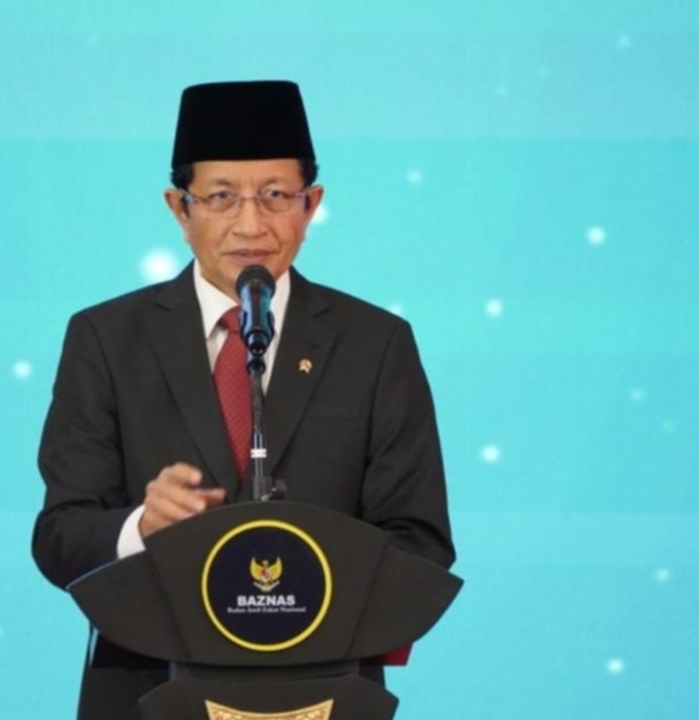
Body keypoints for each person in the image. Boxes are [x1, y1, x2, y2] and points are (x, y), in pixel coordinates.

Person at [31, 80, 454, 720]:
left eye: (276, 196)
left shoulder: (376, 344)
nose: (251, 224)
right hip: (146, 695)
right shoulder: (106, 339)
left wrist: (308, 582)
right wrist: (141, 527)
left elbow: (420, 543)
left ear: (311, 205)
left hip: (321, 696)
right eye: (222, 197)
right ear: (180, 209)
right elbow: (59, 538)